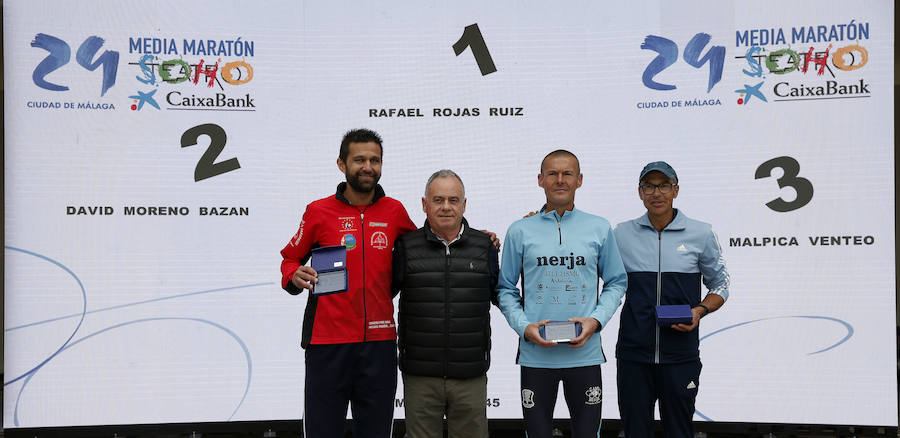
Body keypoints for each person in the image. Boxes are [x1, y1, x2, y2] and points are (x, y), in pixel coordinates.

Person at [279, 128, 416, 438]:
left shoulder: (394, 211)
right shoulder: (318, 211)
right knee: (322, 431)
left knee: (376, 432)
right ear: (342, 164)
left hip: (379, 344)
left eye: (375, 160)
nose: (368, 167)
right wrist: (293, 274)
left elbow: (426, 247)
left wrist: (475, 236)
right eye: (359, 160)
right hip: (327, 345)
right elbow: (290, 259)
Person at [497, 150, 628, 438]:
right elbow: (505, 288)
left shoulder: (599, 227)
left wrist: (595, 321)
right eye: (552, 174)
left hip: (584, 355)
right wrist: (524, 327)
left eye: (567, 173)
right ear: (540, 180)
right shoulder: (519, 230)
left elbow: (617, 282)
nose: (560, 180)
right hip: (536, 357)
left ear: (579, 180)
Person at [614, 161, 730, 438]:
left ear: (675, 190)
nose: (657, 193)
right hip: (633, 355)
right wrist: (541, 220)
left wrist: (699, 310)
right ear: (639, 192)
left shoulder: (701, 233)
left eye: (664, 185)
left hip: (681, 355)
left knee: (679, 432)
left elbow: (722, 284)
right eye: (649, 186)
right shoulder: (620, 234)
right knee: (635, 432)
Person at [391, 169, 499, 438]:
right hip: (420, 375)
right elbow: (381, 294)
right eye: (438, 200)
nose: (446, 207)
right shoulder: (406, 246)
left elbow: (502, 296)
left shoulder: (484, 246)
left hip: (470, 374)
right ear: (424, 204)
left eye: (453, 200)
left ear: (464, 204)